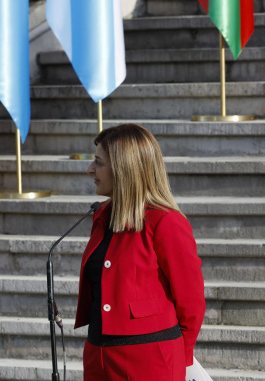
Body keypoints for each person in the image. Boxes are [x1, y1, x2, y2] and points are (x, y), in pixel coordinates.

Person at [77, 123, 205, 380]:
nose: (90, 169)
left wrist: (181, 357)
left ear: (124, 170)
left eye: (98, 163)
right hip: (98, 355)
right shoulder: (101, 215)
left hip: (149, 360)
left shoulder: (165, 222)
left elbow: (191, 303)